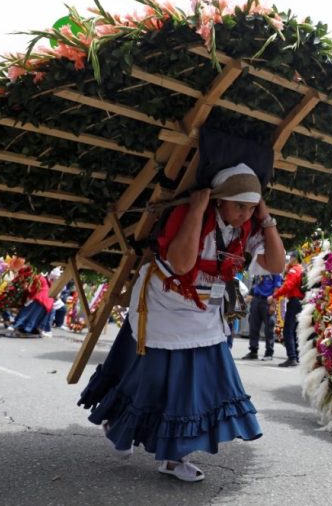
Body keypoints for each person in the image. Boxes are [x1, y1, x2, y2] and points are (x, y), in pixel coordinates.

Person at [78, 163, 285, 483]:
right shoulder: (193, 217)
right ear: (219, 201)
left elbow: (276, 264)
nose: (244, 214)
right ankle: (119, 425)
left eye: (249, 208)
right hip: (165, 307)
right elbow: (181, 263)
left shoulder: (246, 229)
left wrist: (265, 217)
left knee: (198, 390)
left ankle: (173, 458)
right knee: (153, 382)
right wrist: (197, 208)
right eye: (238, 206)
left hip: (203, 315)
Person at [5, 267, 61, 338]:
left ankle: (21, 331)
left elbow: (30, 290)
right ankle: (29, 331)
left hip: (40, 299)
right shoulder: (39, 277)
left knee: (27, 315)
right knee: (34, 317)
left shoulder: (35, 277)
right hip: (46, 300)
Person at [242, 272, 282, 361]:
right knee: (253, 327)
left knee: (269, 328)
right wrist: (250, 295)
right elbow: (255, 284)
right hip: (256, 300)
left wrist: (273, 305)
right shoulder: (259, 269)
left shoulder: (274, 270)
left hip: (267, 301)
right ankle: (253, 351)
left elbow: (277, 288)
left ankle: (269, 352)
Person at [273, 251, 304, 367]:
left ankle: (292, 357)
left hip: (294, 301)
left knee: (288, 330)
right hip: (301, 302)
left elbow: (287, 286)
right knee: (295, 330)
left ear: (295, 259)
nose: (289, 260)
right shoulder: (302, 269)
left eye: (290, 257)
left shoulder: (294, 270)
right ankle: (296, 355)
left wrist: (275, 295)